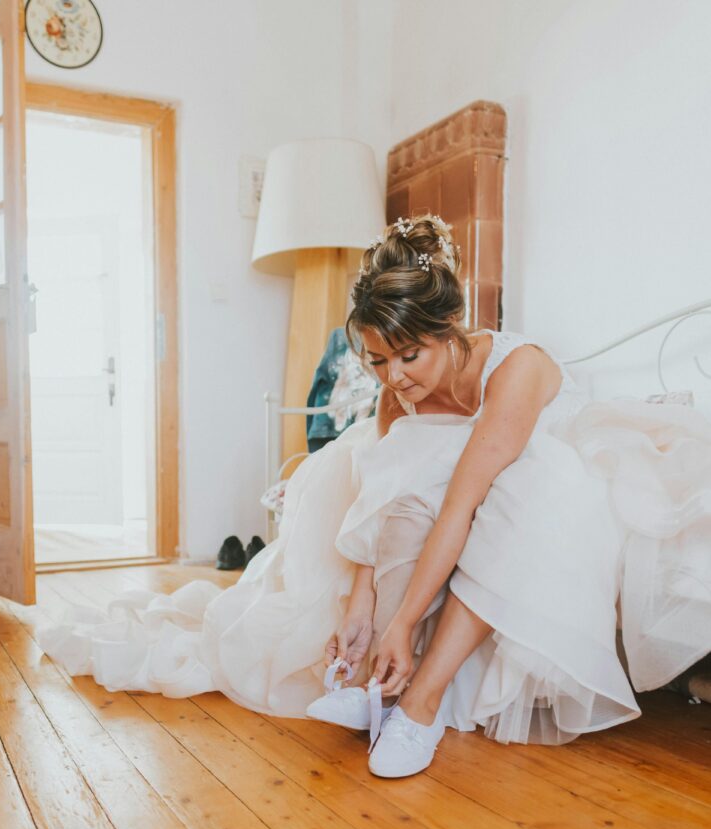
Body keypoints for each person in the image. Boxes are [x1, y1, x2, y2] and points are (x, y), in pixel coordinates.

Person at [40, 215, 711, 779]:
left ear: (451, 325)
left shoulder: (518, 369)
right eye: (377, 361)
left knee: (515, 502)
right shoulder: (396, 398)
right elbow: (384, 498)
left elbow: (464, 503)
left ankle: (419, 704)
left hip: (546, 470)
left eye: (410, 356)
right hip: (461, 486)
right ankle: (377, 688)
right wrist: (364, 606)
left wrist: (399, 622)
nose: (395, 379)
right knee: (402, 508)